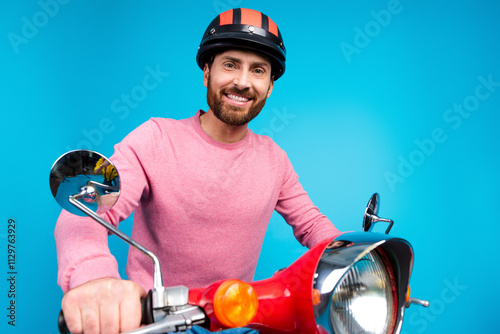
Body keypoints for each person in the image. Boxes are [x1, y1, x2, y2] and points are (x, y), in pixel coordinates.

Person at [55, 8, 342, 334]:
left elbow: (313, 225)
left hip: (237, 322)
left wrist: (358, 263)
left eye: (258, 70)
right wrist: (95, 279)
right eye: (230, 65)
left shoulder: (275, 159)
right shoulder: (155, 139)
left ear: (270, 86)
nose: (243, 82)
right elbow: (85, 210)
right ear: (206, 72)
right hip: (157, 323)